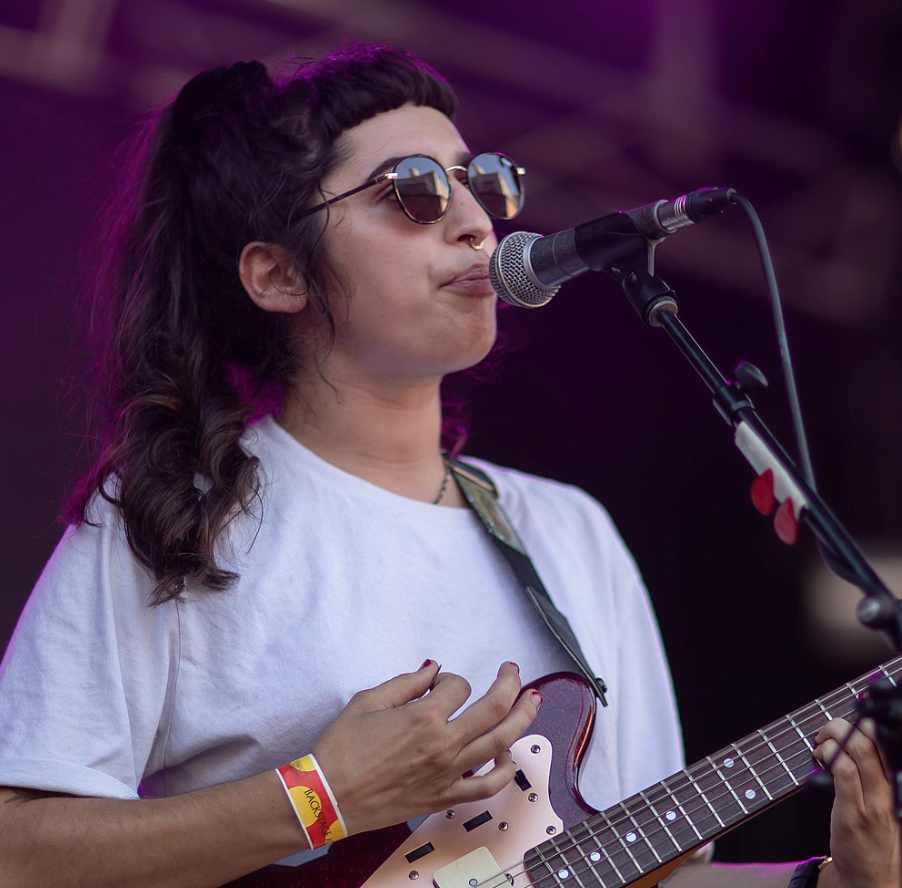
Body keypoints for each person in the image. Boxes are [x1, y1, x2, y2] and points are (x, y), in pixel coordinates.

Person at [0, 42, 895, 888]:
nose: (476, 221)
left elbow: (636, 868)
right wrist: (324, 798)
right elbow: (18, 851)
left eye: (486, 181)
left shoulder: (569, 531)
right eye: (416, 192)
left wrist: (827, 882)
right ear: (278, 276)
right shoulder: (178, 513)